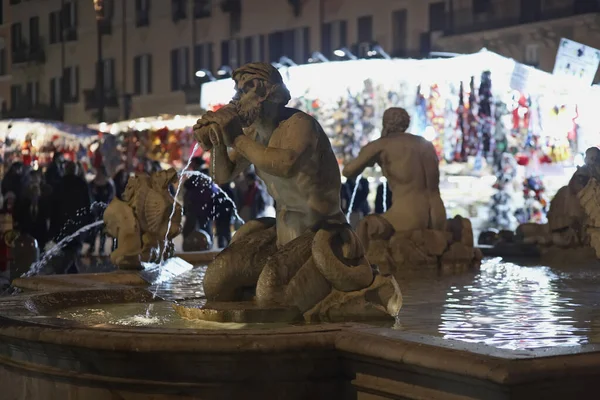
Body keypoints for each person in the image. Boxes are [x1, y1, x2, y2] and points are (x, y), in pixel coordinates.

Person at [193, 62, 345, 247]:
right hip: (284, 227)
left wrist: (236, 138)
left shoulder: (299, 124)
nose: (234, 101)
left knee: (272, 275)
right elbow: (222, 176)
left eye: (241, 93)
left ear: (263, 94)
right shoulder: (253, 135)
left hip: (322, 232)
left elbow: (286, 164)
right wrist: (218, 141)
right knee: (230, 259)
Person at [343, 107, 447, 250]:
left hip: (407, 216)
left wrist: (369, 156)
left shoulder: (382, 145)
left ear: (385, 123)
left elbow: (348, 171)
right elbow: (433, 188)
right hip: (436, 215)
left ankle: (363, 271)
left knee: (365, 227)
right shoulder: (425, 145)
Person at [49, 162, 92, 273]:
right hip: (77, 226)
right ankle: (67, 273)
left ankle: (65, 273)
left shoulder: (59, 184)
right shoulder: (81, 184)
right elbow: (88, 206)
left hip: (61, 225)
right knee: (72, 252)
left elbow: (53, 207)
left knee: (68, 252)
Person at [13, 170, 50, 250]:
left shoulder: (44, 204)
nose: (34, 196)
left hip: (40, 239)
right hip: (27, 240)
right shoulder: (24, 204)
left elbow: (46, 221)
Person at [182, 157, 217, 241]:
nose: (191, 166)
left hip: (199, 206)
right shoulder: (202, 174)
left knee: (201, 227)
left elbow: (187, 184)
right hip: (199, 207)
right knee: (202, 227)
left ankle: (205, 243)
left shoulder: (200, 174)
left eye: (193, 164)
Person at [87, 166, 115, 255]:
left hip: (105, 210)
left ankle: (101, 248)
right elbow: (90, 196)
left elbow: (111, 197)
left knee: (103, 230)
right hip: (95, 210)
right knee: (93, 230)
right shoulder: (92, 184)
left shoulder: (108, 185)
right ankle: (92, 247)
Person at [215, 182, 237, 248]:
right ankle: (229, 248)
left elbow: (216, 203)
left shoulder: (220, 191)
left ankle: (222, 248)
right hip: (226, 215)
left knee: (221, 234)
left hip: (221, 215)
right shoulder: (228, 191)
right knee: (226, 233)